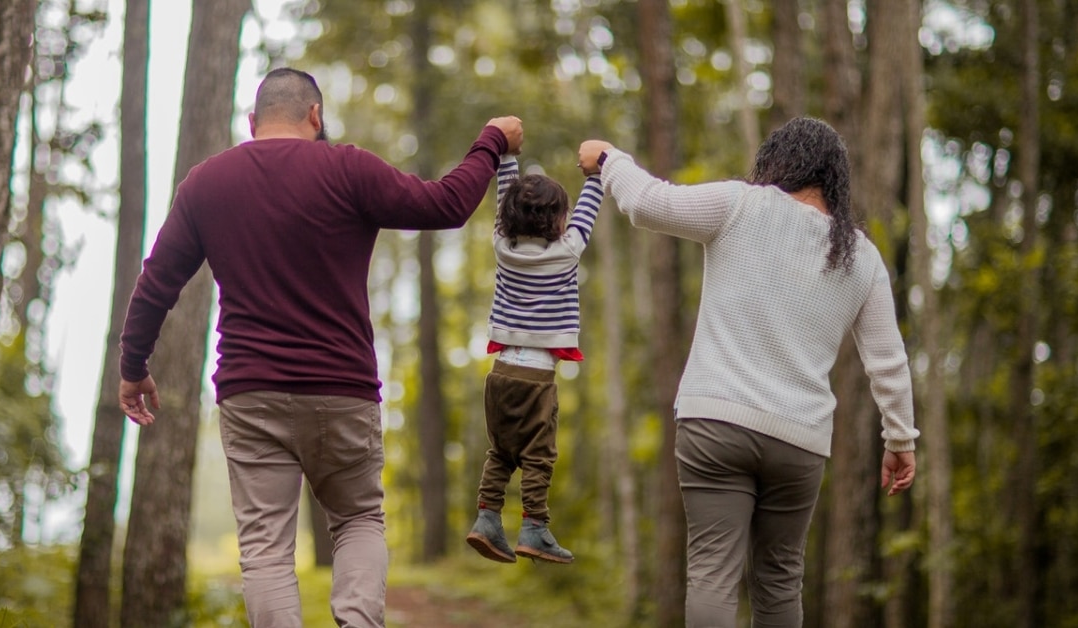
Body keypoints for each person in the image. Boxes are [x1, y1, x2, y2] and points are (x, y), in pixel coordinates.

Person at [117, 67, 523, 628]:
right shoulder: (348, 168)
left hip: (249, 392)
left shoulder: (206, 183)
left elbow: (156, 281)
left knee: (265, 548)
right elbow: (446, 205)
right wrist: (492, 141)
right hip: (341, 391)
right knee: (358, 519)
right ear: (316, 116)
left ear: (252, 122)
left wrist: (133, 367)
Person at [576, 117, 918, 627]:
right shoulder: (861, 256)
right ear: (835, 180)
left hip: (715, 423)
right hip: (799, 441)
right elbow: (887, 360)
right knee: (780, 583)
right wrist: (900, 439)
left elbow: (648, 203)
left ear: (778, 162)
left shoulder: (741, 204)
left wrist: (608, 158)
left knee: (712, 574)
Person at [464, 152, 603, 565]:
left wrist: (507, 155)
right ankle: (534, 527)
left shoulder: (501, 247)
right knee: (538, 456)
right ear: (558, 220)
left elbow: (503, 194)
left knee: (501, 452)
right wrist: (596, 173)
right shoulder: (568, 250)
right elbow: (590, 207)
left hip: (501, 373)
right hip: (537, 378)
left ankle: (487, 518)